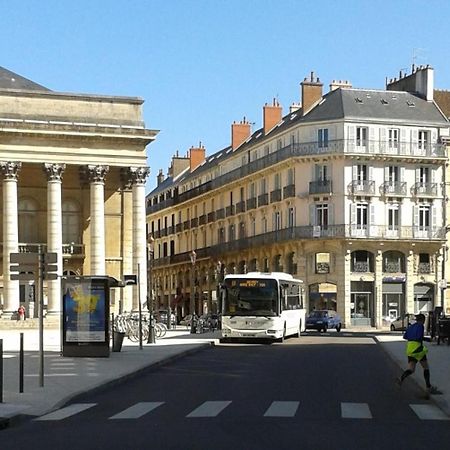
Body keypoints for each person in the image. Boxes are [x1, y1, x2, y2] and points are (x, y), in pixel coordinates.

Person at [396, 313, 441, 394]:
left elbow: (405, 336)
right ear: (423, 320)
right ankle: (428, 387)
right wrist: (428, 340)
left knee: (411, 369)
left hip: (410, 349)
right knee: (425, 367)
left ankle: (401, 378)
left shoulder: (411, 326)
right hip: (418, 349)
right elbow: (419, 337)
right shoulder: (421, 326)